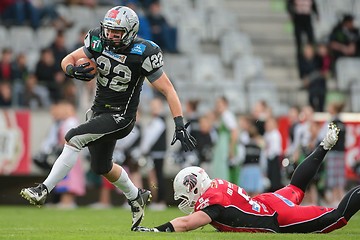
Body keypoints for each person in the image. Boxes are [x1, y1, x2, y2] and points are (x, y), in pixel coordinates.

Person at [20, 6, 196, 230]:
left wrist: (179, 123)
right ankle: (136, 196)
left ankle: (43, 189)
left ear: (130, 31)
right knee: (102, 166)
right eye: (109, 30)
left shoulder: (144, 51)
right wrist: (72, 70)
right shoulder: (97, 39)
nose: (110, 36)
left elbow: (168, 90)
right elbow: (69, 59)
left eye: (117, 32)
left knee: (73, 137)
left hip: (121, 116)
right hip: (98, 112)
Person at [133, 123, 360, 233]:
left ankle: (325, 149)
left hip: (277, 216)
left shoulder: (211, 201)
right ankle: (324, 146)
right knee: (296, 187)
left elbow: (186, 223)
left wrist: (157, 230)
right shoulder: (216, 184)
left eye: (185, 195)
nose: (185, 202)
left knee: (337, 217)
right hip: (267, 202)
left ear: (195, 187)